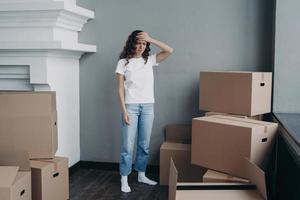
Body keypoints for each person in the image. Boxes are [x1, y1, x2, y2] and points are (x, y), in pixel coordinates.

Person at [115, 30, 173, 193]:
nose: (140, 46)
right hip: (130, 107)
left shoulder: (150, 60)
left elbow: (170, 50)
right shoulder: (123, 62)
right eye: (138, 42)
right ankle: (124, 178)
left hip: (148, 107)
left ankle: (141, 174)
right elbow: (120, 88)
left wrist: (151, 39)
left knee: (144, 145)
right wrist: (124, 110)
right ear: (131, 43)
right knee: (127, 146)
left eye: (143, 43)